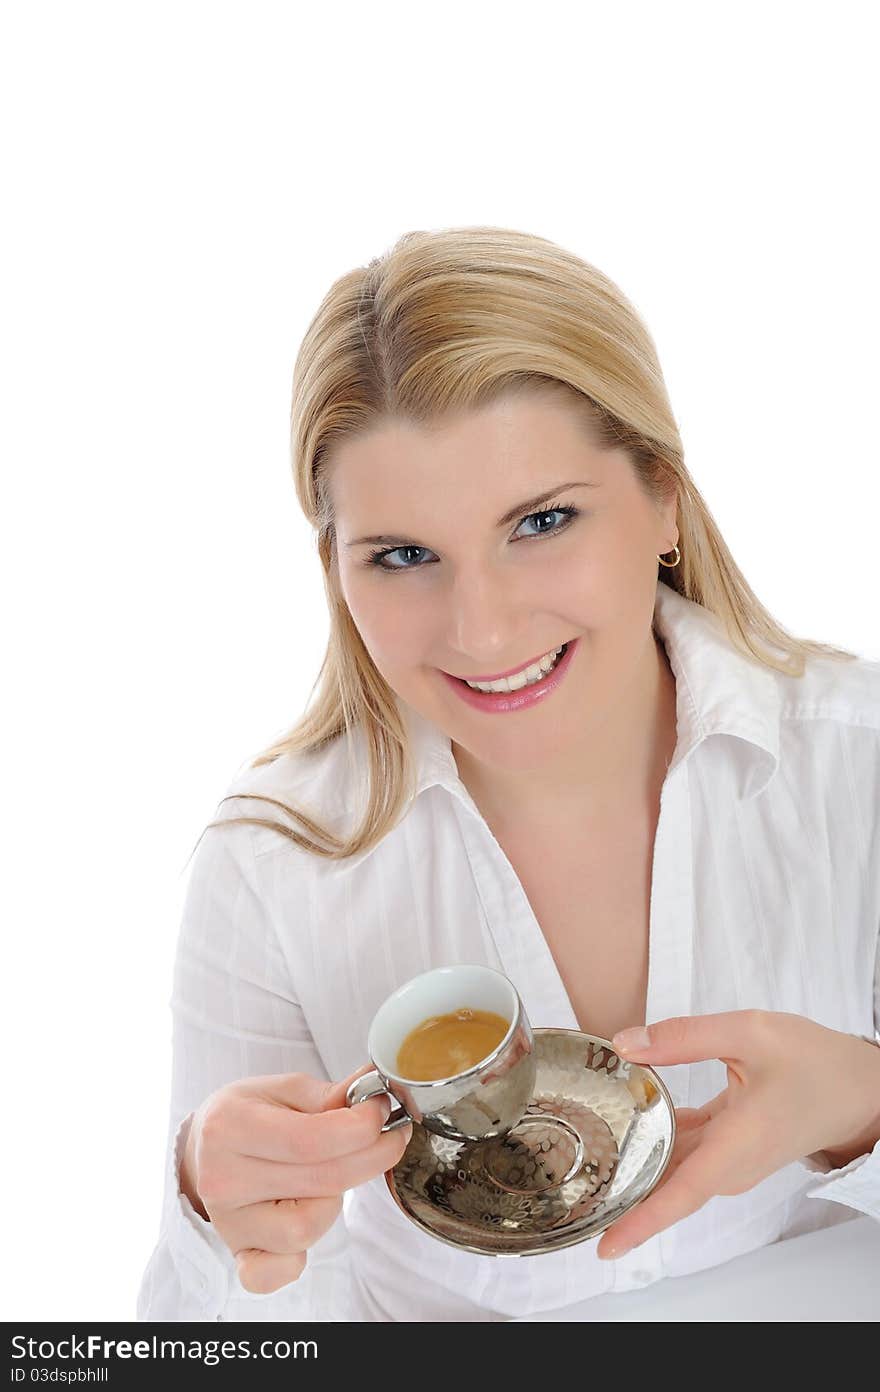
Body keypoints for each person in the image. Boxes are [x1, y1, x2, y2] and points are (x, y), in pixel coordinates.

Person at [137, 226, 880, 1323]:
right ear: (336, 572)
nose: (481, 631)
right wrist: (218, 1209)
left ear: (664, 501)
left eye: (541, 522)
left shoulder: (852, 757)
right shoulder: (271, 869)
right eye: (401, 556)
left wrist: (861, 1106)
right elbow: (232, 1344)